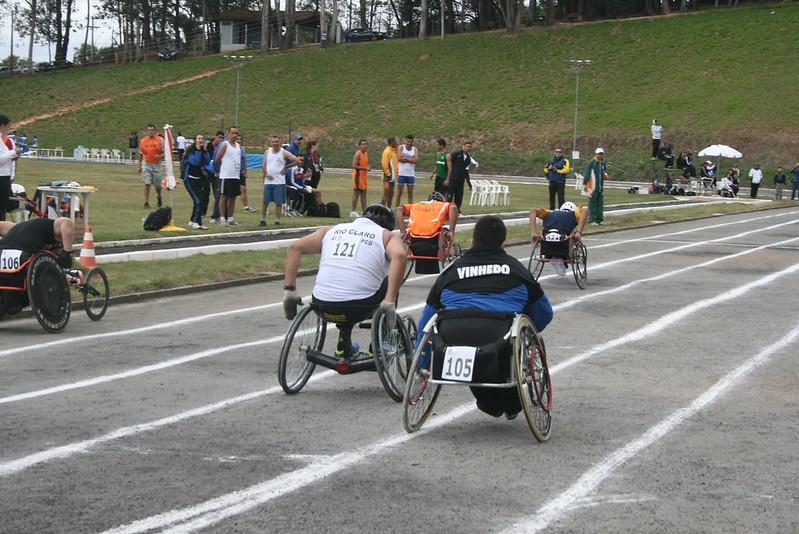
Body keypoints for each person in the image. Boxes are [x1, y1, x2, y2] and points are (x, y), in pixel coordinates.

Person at [416, 216, 553, 419]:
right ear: (503, 243)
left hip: (452, 335)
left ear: (473, 241)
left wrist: (422, 361)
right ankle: (506, 402)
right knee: (498, 348)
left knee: (472, 343)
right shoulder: (517, 270)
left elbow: (427, 319)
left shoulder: (450, 272)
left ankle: (491, 402)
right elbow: (544, 314)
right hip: (499, 337)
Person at [283, 204, 406, 359]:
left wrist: (290, 291)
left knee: (343, 286)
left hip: (321, 306)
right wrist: (389, 301)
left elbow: (295, 247)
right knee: (392, 280)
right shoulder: (387, 236)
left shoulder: (331, 230)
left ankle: (343, 344)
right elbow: (400, 257)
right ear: (387, 226)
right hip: (360, 307)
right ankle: (381, 344)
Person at [530, 201, 588, 276]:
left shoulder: (549, 212)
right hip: (563, 241)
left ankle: (553, 257)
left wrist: (533, 232)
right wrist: (579, 232)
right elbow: (585, 210)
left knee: (550, 236)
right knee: (572, 237)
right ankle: (560, 258)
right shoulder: (575, 213)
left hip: (546, 242)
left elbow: (533, 211)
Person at [0, 217, 75, 269]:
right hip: (22, 254)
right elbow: (67, 223)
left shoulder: (20, 227)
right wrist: (67, 252)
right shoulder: (50, 226)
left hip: (5, 254)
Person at [262, 134, 303, 226]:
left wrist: (286, 167)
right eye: (273, 142)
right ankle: (263, 219)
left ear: (279, 142)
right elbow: (264, 164)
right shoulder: (267, 152)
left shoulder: (284, 152)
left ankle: (277, 219)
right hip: (268, 181)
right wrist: (265, 174)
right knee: (265, 201)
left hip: (279, 180)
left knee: (278, 202)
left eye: (276, 142)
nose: (275, 143)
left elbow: (297, 161)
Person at [213, 126, 243, 226]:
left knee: (233, 198)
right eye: (233, 133)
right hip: (226, 176)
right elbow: (217, 159)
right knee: (224, 197)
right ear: (228, 134)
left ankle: (230, 218)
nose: (235, 135)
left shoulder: (238, 146)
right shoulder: (225, 145)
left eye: (236, 133)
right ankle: (222, 218)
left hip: (235, 176)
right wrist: (220, 170)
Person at [181, 134, 212, 229]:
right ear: (195, 141)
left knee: (201, 200)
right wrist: (198, 150)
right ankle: (196, 222)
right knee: (197, 200)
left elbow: (207, 162)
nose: (201, 140)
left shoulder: (203, 151)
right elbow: (195, 162)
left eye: (202, 138)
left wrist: (205, 150)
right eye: (199, 138)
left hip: (200, 179)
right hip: (190, 179)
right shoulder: (191, 151)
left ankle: (193, 220)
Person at [0, 115, 22, 221]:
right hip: (1, 177)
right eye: (7, 127)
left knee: (3, 208)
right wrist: (14, 152)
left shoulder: (3, 139)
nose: (8, 130)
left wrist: (14, 156)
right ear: (2, 125)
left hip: (5, 176)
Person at [137, 124, 164, 209]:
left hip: (157, 165)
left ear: (155, 131)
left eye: (152, 129)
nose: (151, 131)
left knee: (157, 186)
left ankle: (159, 196)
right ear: (146, 131)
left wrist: (159, 156)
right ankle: (146, 202)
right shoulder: (143, 141)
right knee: (147, 183)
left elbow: (165, 153)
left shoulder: (160, 140)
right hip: (147, 164)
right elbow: (141, 154)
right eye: (149, 130)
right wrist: (140, 166)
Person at [443, 141, 474, 211]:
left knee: (459, 197)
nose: (468, 148)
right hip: (453, 179)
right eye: (467, 146)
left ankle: (457, 211)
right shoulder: (457, 154)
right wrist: (447, 178)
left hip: (461, 180)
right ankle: (446, 210)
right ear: (463, 146)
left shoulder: (468, 159)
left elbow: (466, 171)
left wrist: (469, 183)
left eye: (470, 147)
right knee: (449, 196)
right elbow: (448, 157)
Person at [584, 148, 608, 225]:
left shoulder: (603, 163)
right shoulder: (592, 163)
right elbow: (587, 173)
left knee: (600, 203)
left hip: (600, 186)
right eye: (599, 154)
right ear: (596, 154)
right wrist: (585, 184)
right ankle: (592, 219)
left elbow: (604, 171)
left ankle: (599, 219)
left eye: (601, 154)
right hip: (592, 186)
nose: (600, 155)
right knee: (593, 203)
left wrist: (605, 174)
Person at [207, 130, 225, 223]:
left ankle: (218, 215)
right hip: (208, 172)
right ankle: (211, 215)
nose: (221, 139)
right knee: (206, 194)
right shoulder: (209, 146)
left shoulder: (222, 147)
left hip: (218, 174)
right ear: (215, 137)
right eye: (219, 137)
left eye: (222, 138)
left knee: (218, 195)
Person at [396, 134, 418, 207]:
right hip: (401, 174)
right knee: (399, 193)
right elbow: (399, 158)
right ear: (405, 140)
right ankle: (397, 208)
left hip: (411, 175)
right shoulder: (401, 147)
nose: (409, 143)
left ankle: (410, 210)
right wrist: (411, 159)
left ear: (413, 141)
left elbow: (416, 160)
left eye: (411, 142)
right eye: (408, 141)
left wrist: (406, 158)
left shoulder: (415, 149)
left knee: (410, 194)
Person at [351, 139, 370, 218]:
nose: (364, 146)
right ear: (359, 146)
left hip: (364, 176)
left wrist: (368, 167)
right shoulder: (358, 154)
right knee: (357, 193)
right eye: (362, 144)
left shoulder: (365, 153)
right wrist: (364, 168)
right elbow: (354, 165)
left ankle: (364, 211)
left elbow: (365, 163)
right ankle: (353, 211)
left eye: (365, 144)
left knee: (364, 194)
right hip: (358, 176)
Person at [238, 136, 256, 213]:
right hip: (232, 173)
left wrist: (245, 171)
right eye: (237, 139)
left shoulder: (242, 150)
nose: (238, 140)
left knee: (243, 190)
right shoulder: (231, 148)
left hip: (240, 173)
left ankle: (246, 206)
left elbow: (244, 162)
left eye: (240, 139)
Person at [381, 136, 399, 208]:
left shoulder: (393, 151)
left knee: (391, 194)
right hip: (388, 177)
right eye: (396, 141)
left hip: (393, 178)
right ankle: (382, 209)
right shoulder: (387, 151)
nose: (397, 143)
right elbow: (384, 164)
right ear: (392, 142)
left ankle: (388, 209)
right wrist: (388, 174)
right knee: (386, 193)